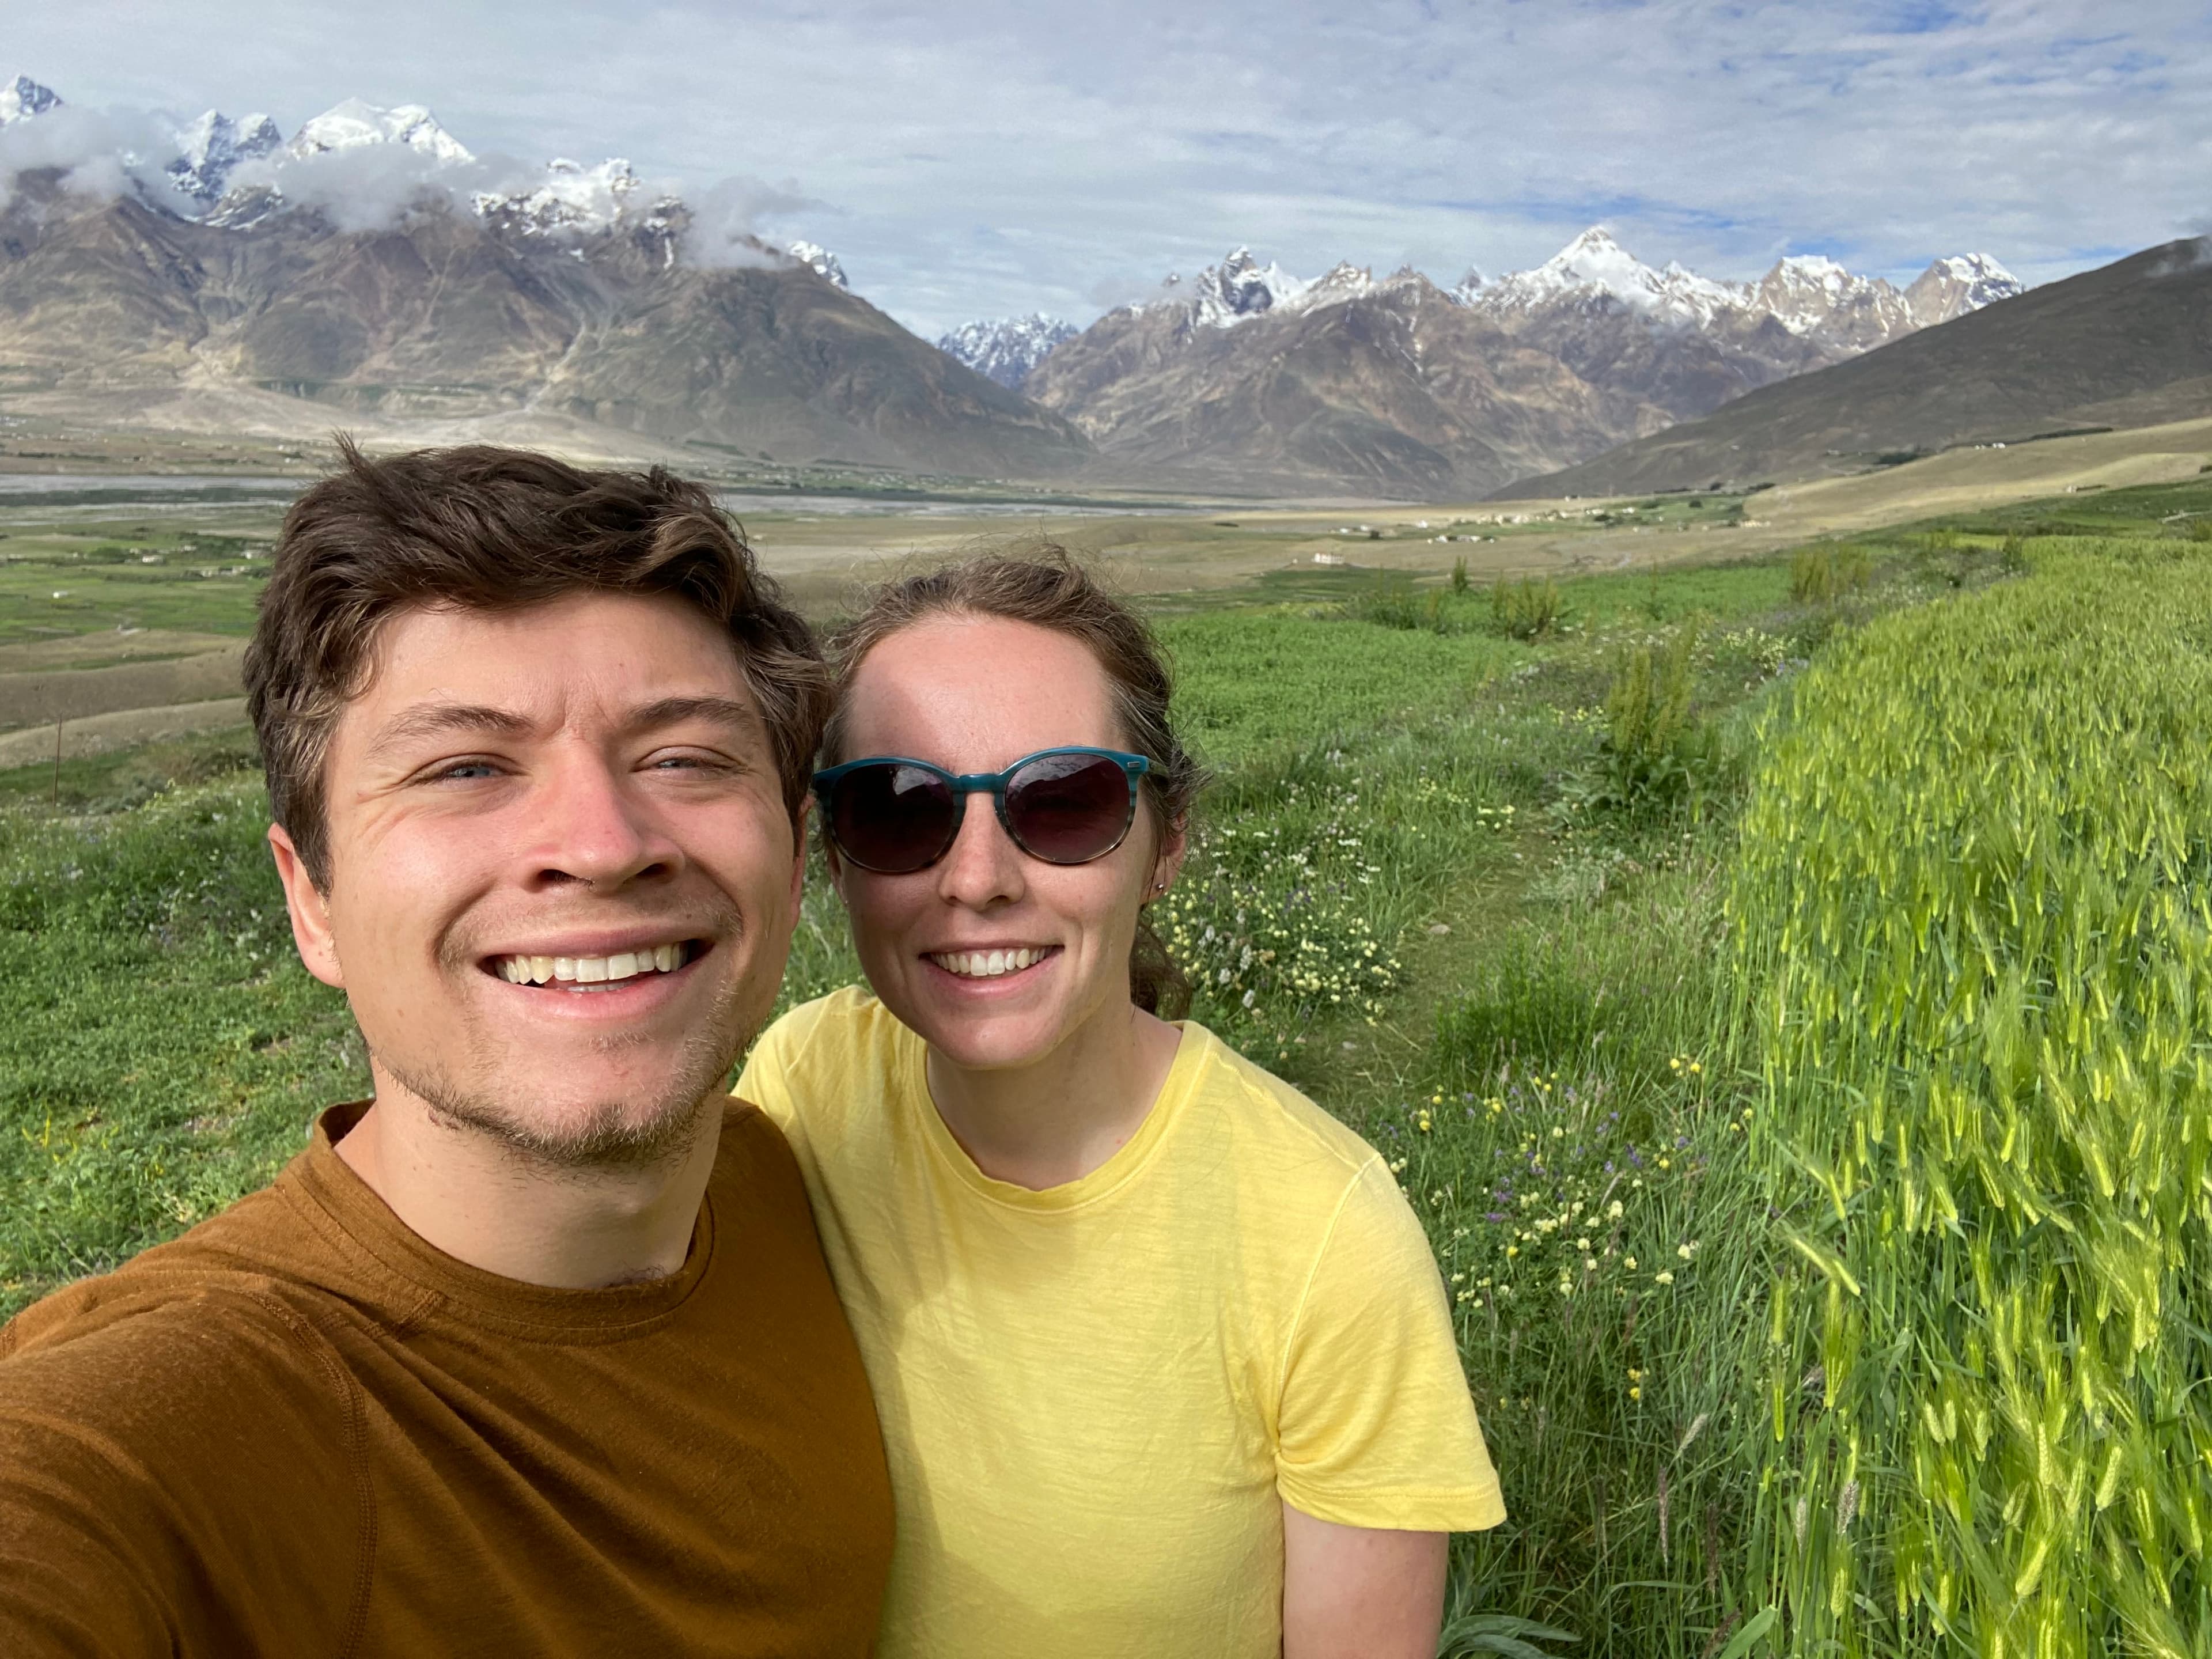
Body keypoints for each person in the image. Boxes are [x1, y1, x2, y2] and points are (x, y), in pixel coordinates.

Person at [0, 443, 893, 1656]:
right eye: (465, 767)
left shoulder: (799, 1189)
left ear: (793, 861)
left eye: (682, 756)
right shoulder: (172, 1423)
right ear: (311, 898)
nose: (599, 842)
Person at [737, 553, 1505, 1659]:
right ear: (834, 856)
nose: (977, 878)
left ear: (1166, 844)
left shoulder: (1324, 1236)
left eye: (1063, 802)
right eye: (900, 808)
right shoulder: (804, 1087)